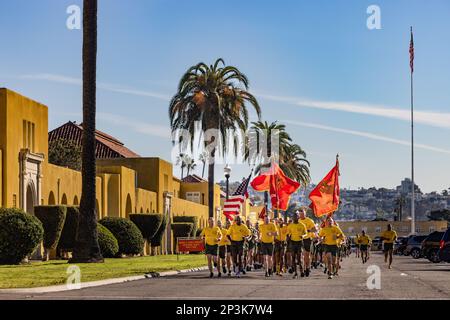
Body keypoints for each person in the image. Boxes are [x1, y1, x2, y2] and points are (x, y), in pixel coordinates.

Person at [286, 212, 307, 279]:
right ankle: (295, 273)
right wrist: (288, 237)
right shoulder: (290, 225)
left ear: (298, 217)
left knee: (299, 258)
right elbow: (288, 233)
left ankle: (302, 271)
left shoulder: (302, 225)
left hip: (299, 243)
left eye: (296, 216)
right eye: (294, 216)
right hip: (292, 243)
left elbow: (305, 233)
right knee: (293, 259)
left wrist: (303, 236)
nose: (295, 217)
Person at [299, 208, 317, 277]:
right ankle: (303, 269)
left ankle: (307, 267)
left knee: (307, 255)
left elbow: (315, 229)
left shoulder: (309, 221)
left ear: (305, 214)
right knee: (301, 255)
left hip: (307, 239)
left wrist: (309, 230)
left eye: (303, 214)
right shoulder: (298, 221)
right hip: (300, 239)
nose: (301, 215)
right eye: (300, 214)